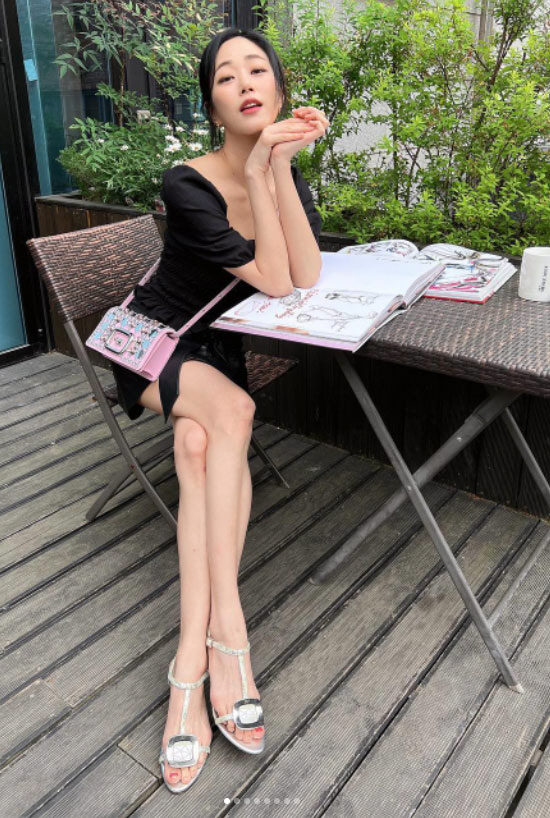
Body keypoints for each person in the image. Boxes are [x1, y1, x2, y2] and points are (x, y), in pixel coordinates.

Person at [111, 26, 328, 793]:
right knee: (232, 412)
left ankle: (189, 668)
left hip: (214, 349)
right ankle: (223, 638)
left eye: (257, 69)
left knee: (199, 444)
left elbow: (304, 273)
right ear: (212, 106)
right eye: (226, 76)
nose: (245, 83)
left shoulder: (280, 170)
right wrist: (263, 166)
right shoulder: (186, 183)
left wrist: (276, 167)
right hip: (148, 339)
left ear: (279, 89)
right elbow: (272, 279)